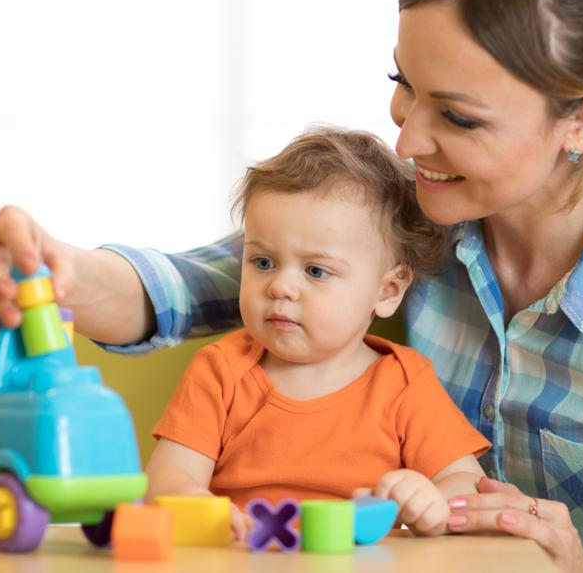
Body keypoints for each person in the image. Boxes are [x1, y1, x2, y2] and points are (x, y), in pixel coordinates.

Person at [0, 0, 583, 572]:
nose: (408, 139)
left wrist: (582, 568)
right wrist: (56, 270)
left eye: (458, 116)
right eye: (401, 86)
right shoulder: (415, 216)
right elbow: (191, 286)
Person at [142, 128, 490, 540]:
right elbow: (168, 477)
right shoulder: (221, 371)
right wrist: (189, 499)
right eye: (263, 262)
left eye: (315, 271)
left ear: (387, 290)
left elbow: (466, 483)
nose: (281, 287)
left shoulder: (404, 382)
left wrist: (430, 500)